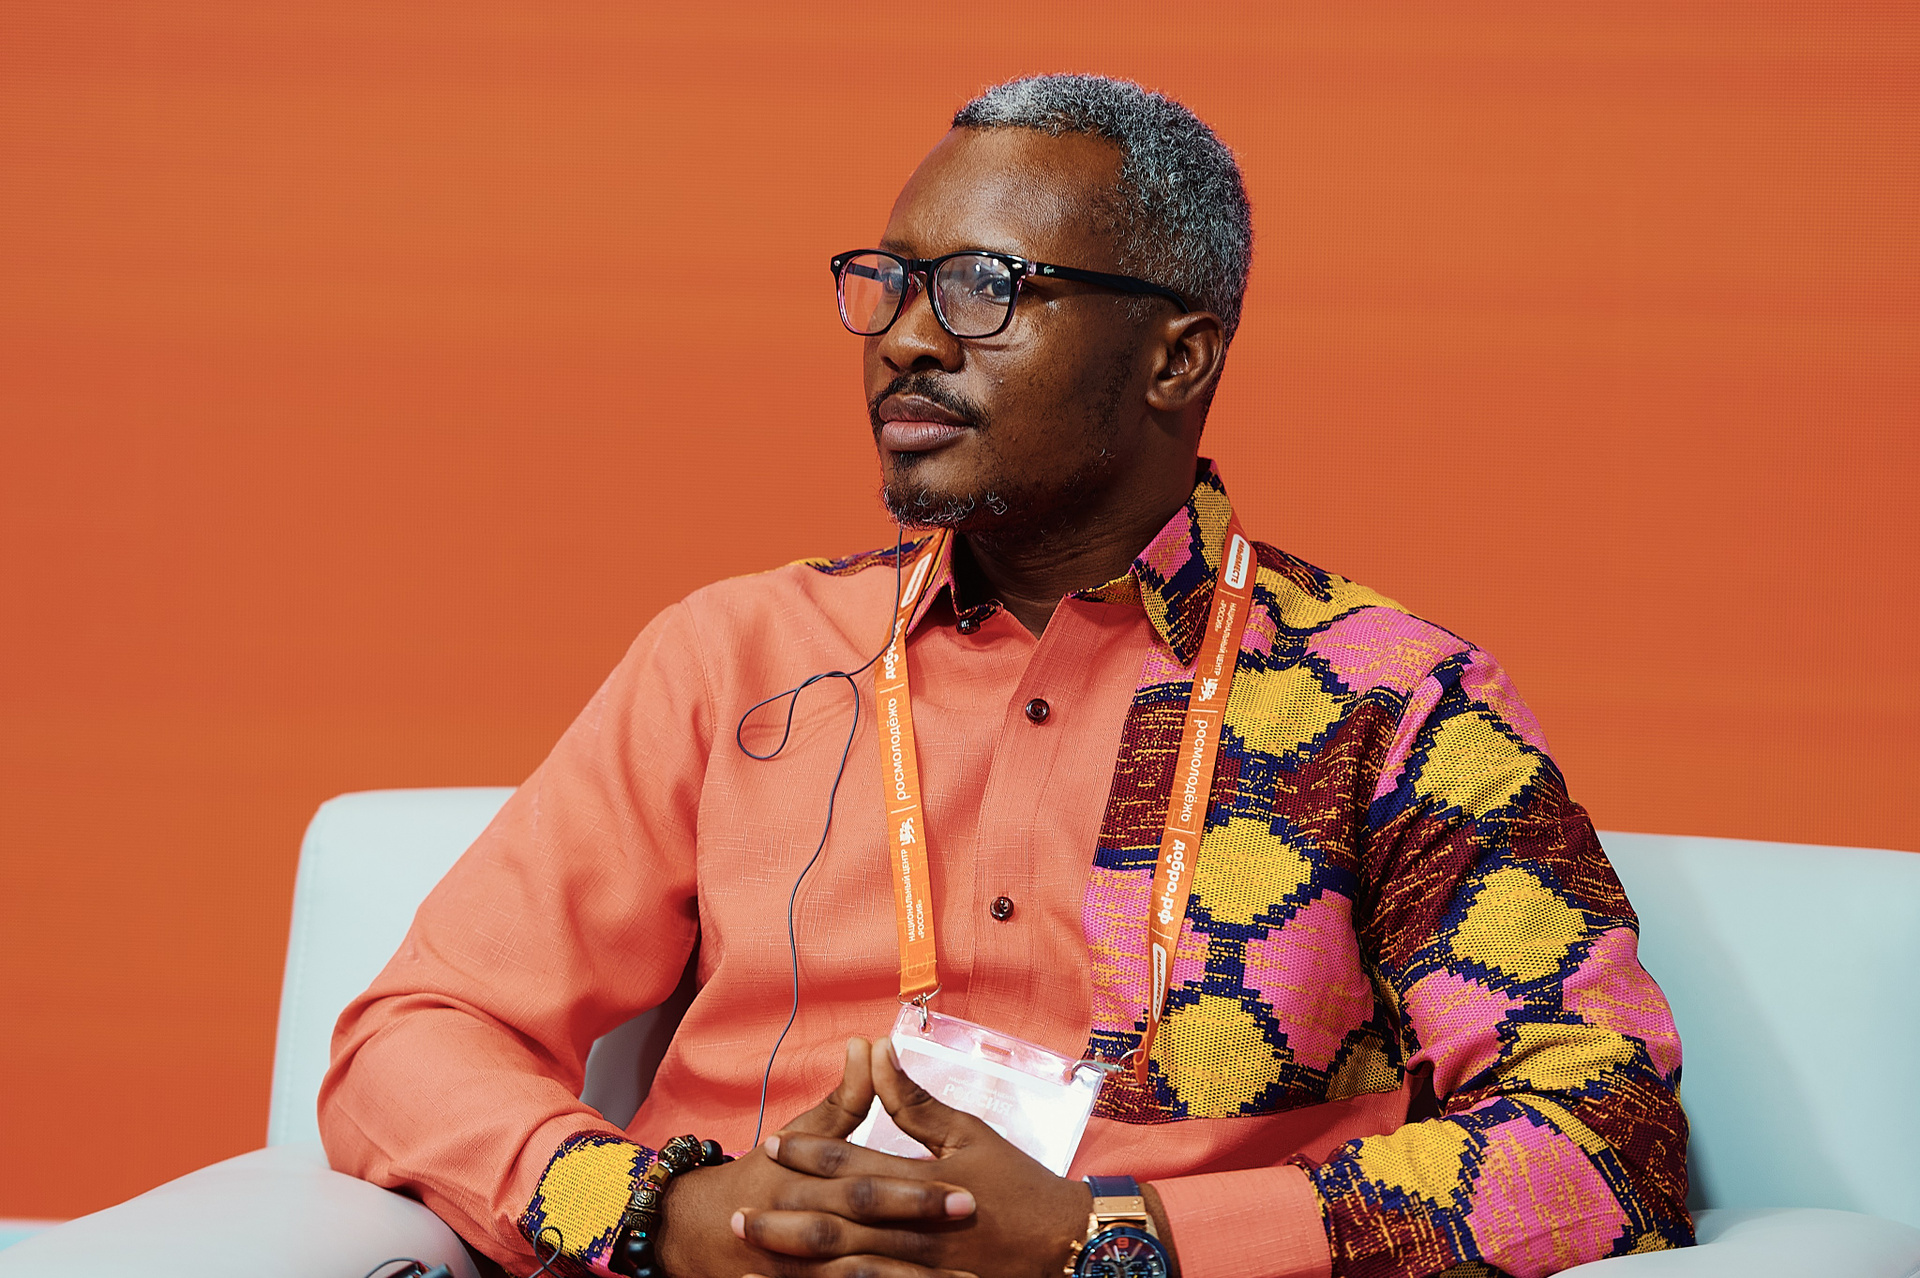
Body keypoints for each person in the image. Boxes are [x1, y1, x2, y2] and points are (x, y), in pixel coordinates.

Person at [321, 74, 1692, 1278]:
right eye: (890, 283)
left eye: (984, 287)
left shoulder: (1391, 701)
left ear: (1177, 357)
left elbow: (1602, 1136)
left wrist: (1115, 1241)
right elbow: (413, 1037)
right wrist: (666, 1214)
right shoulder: (734, 655)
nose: (907, 338)